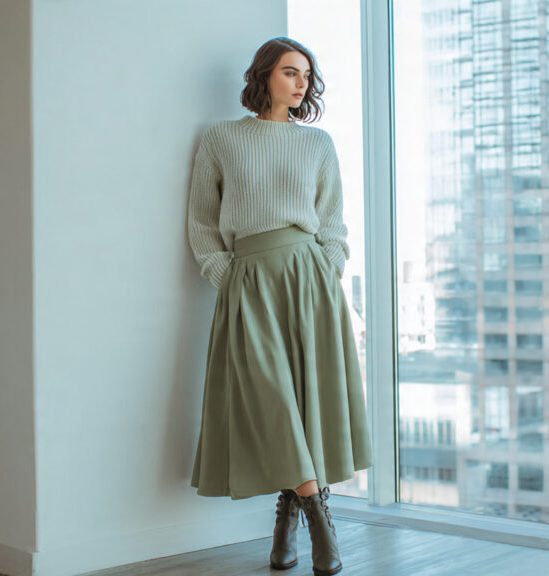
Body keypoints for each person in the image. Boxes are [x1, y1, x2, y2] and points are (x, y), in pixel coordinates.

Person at [186, 37, 372, 576]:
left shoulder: (318, 143)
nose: (301, 83)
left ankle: (288, 514)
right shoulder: (222, 138)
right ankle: (317, 515)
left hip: (309, 277)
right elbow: (201, 222)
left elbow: (332, 221)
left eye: (307, 76)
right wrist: (226, 275)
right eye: (291, 72)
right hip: (250, 279)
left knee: (306, 402)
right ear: (264, 75)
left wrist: (327, 267)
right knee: (270, 398)